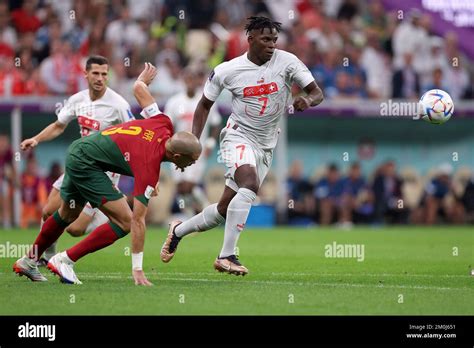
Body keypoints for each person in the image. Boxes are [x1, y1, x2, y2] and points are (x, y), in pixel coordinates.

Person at [160, 16, 324, 275]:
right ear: (250, 39)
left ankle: (178, 231)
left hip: (266, 143)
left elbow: (317, 92)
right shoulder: (227, 70)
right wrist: (193, 138)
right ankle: (227, 255)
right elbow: (205, 104)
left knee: (224, 209)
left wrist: (308, 100)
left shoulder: (288, 61)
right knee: (249, 184)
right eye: (265, 39)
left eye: (274, 39)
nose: (271, 44)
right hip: (238, 136)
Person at [13, 62, 202, 285]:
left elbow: (139, 89)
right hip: (87, 163)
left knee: (67, 215)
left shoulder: (164, 123)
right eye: (191, 160)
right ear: (178, 157)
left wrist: (142, 79)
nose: (192, 164)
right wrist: (138, 269)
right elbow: (138, 221)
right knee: (125, 221)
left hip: (79, 152)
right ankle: (65, 259)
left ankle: (29, 260)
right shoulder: (149, 166)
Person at [20, 55, 134, 264]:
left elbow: (134, 136)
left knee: (74, 229)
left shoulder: (118, 104)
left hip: (102, 173)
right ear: (86, 74)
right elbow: (58, 125)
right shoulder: (77, 100)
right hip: (80, 165)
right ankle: (47, 257)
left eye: (104, 74)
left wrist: (144, 173)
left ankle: (99, 215)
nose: (100, 78)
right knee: (48, 212)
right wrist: (36, 139)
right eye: (96, 73)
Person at [164, 65, 221, 218]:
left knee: (189, 185)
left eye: (193, 79)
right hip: (177, 150)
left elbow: (216, 123)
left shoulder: (204, 101)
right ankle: (191, 215)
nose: (190, 82)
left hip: (197, 150)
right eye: (188, 78)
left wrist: (210, 143)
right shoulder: (174, 102)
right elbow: (167, 125)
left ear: (198, 81)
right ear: (184, 80)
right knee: (180, 188)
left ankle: (206, 208)